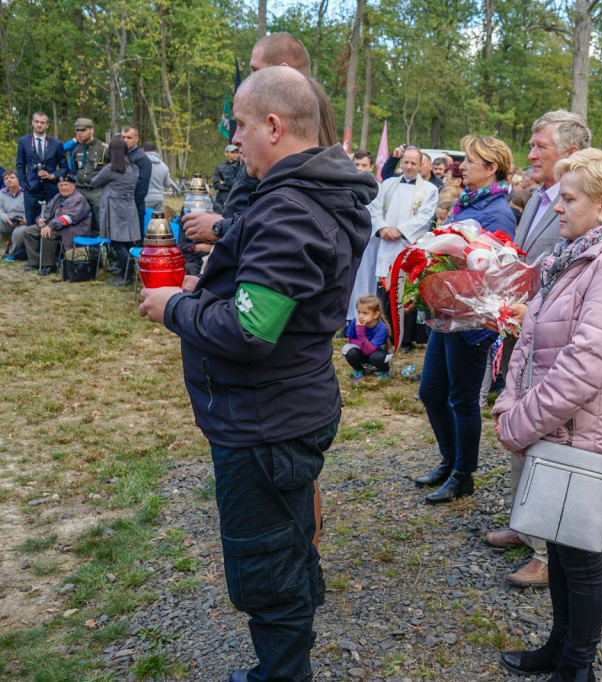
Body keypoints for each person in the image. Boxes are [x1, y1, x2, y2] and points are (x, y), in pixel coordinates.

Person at [137, 65, 376, 682]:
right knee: (288, 540)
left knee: (266, 565)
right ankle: (293, 635)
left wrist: (175, 307)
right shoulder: (302, 193)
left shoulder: (291, 208)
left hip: (265, 421)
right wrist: (207, 290)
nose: (234, 140)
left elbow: (250, 331)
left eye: (241, 126)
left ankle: (283, 672)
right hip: (284, 407)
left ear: (273, 125)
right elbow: (271, 297)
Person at [494, 148, 602, 682]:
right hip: (557, 426)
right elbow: (533, 339)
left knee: (582, 557)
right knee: (563, 549)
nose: (557, 207)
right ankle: (559, 648)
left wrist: (520, 421)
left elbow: (585, 365)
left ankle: (576, 667)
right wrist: (510, 402)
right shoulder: (580, 255)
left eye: (568, 199)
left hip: (583, 432)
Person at [481, 110, 591, 590]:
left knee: (549, 438)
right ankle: (526, 524)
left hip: (556, 340)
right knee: (520, 428)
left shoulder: (585, 205)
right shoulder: (539, 198)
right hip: (524, 332)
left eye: (539, 146)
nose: (529, 154)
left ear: (570, 152)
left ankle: (548, 552)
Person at [415, 134, 516, 505]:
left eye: (471, 161)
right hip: (446, 314)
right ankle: (449, 459)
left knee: (462, 399)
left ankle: (463, 475)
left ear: (491, 168)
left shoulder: (499, 212)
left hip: (471, 323)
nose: (462, 167)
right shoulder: (468, 202)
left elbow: (497, 273)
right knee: (430, 392)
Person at [181, 31, 312, 248]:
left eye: (255, 71)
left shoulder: (302, 120)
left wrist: (220, 228)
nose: (236, 139)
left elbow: (277, 223)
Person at [350, 145, 438, 338]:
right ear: (401, 162)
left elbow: (425, 217)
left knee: (405, 292)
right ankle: (383, 334)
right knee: (384, 290)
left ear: (420, 165)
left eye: (413, 163)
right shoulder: (388, 184)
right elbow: (375, 208)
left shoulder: (429, 189)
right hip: (387, 245)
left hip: (408, 245)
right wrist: (382, 228)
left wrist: (400, 230)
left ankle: (404, 338)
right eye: (406, 162)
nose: (409, 166)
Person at [93, 136, 141, 286]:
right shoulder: (134, 168)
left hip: (114, 208)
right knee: (127, 242)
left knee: (117, 242)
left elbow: (94, 181)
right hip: (129, 206)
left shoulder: (111, 168)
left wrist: (105, 185)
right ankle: (130, 274)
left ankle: (125, 276)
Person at [22, 173, 91, 275]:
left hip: (72, 229)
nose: (63, 188)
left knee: (48, 234)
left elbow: (68, 218)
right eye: (61, 185)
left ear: (73, 186)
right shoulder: (58, 196)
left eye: (66, 185)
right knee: (28, 231)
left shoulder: (79, 199)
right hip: (57, 226)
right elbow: (47, 211)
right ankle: (35, 262)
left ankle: (49, 266)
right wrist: (41, 219)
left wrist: (50, 226)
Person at [16, 111, 67, 227]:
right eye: (37, 122)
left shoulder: (56, 144)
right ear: (32, 123)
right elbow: (20, 165)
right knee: (31, 225)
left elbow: (64, 168)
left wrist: (52, 175)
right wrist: (23, 185)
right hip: (31, 189)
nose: (39, 125)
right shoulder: (23, 141)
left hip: (51, 190)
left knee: (52, 224)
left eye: (42, 122)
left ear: (47, 125)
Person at [69, 118, 107, 237]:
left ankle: (100, 246)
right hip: (80, 189)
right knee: (73, 215)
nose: (79, 133)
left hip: (96, 191)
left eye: (83, 130)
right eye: (77, 130)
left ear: (92, 130)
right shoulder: (77, 149)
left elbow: (110, 170)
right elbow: (76, 169)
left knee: (100, 220)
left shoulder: (103, 148)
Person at [344, 294, 391, 380]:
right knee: (351, 352)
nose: (360, 316)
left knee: (376, 357)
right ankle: (359, 370)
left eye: (365, 313)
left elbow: (370, 350)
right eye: (359, 312)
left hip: (376, 354)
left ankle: (384, 371)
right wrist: (363, 344)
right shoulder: (355, 321)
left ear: (375, 314)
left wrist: (361, 333)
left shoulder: (381, 328)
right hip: (363, 352)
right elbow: (351, 340)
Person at [120, 126, 152, 233]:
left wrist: (127, 204)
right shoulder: (118, 156)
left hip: (134, 208)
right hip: (118, 207)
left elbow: (141, 188)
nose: (125, 140)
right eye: (123, 137)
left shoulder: (142, 159)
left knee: (134, 240)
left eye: (129, 137)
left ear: (136, 139)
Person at [1, 171, 27, 259]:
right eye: (6, 178)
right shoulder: (1, 193)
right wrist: (6, 218)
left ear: (18, 179)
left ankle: (11, 254)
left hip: (23, 222)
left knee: (18, 233)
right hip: (7, 221)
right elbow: (0, 210)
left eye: (12, 177)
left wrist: (25, 221)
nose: (9, 180)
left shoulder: (26, 192)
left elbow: (33, 212)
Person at [143, 141, 173, 213]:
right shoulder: (164, 166)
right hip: (159, 198)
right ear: (155, 150)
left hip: (145, 198)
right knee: (158, 219)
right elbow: (167, 184)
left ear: (142, 150)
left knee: (145, 219)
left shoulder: (140, 164)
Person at [212, 144, 243, 212]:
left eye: (236, 152)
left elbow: (241, 183)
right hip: (222, 200)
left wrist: (224, 183)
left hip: (236, 199)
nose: (235, 155)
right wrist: (232, 185)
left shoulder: (241, 167)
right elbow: (216, 184)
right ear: (226, 153)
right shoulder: (220, 167)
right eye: (232, 152)